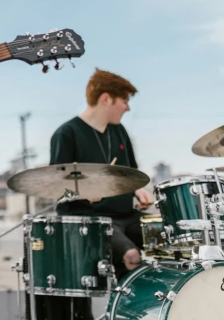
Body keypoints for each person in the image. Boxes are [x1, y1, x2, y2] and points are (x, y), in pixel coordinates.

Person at [42, 68, 150, 319]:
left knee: (171, 242)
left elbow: (131, 173)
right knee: (131, 255)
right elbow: (57, 189)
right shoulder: (66, 134)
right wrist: (83, 194)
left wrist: (139, 190)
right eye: (124, 101)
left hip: (126, 215)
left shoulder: (119, 131)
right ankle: (123, 312)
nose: (127, 108)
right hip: (91, 221)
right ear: (106, 99)